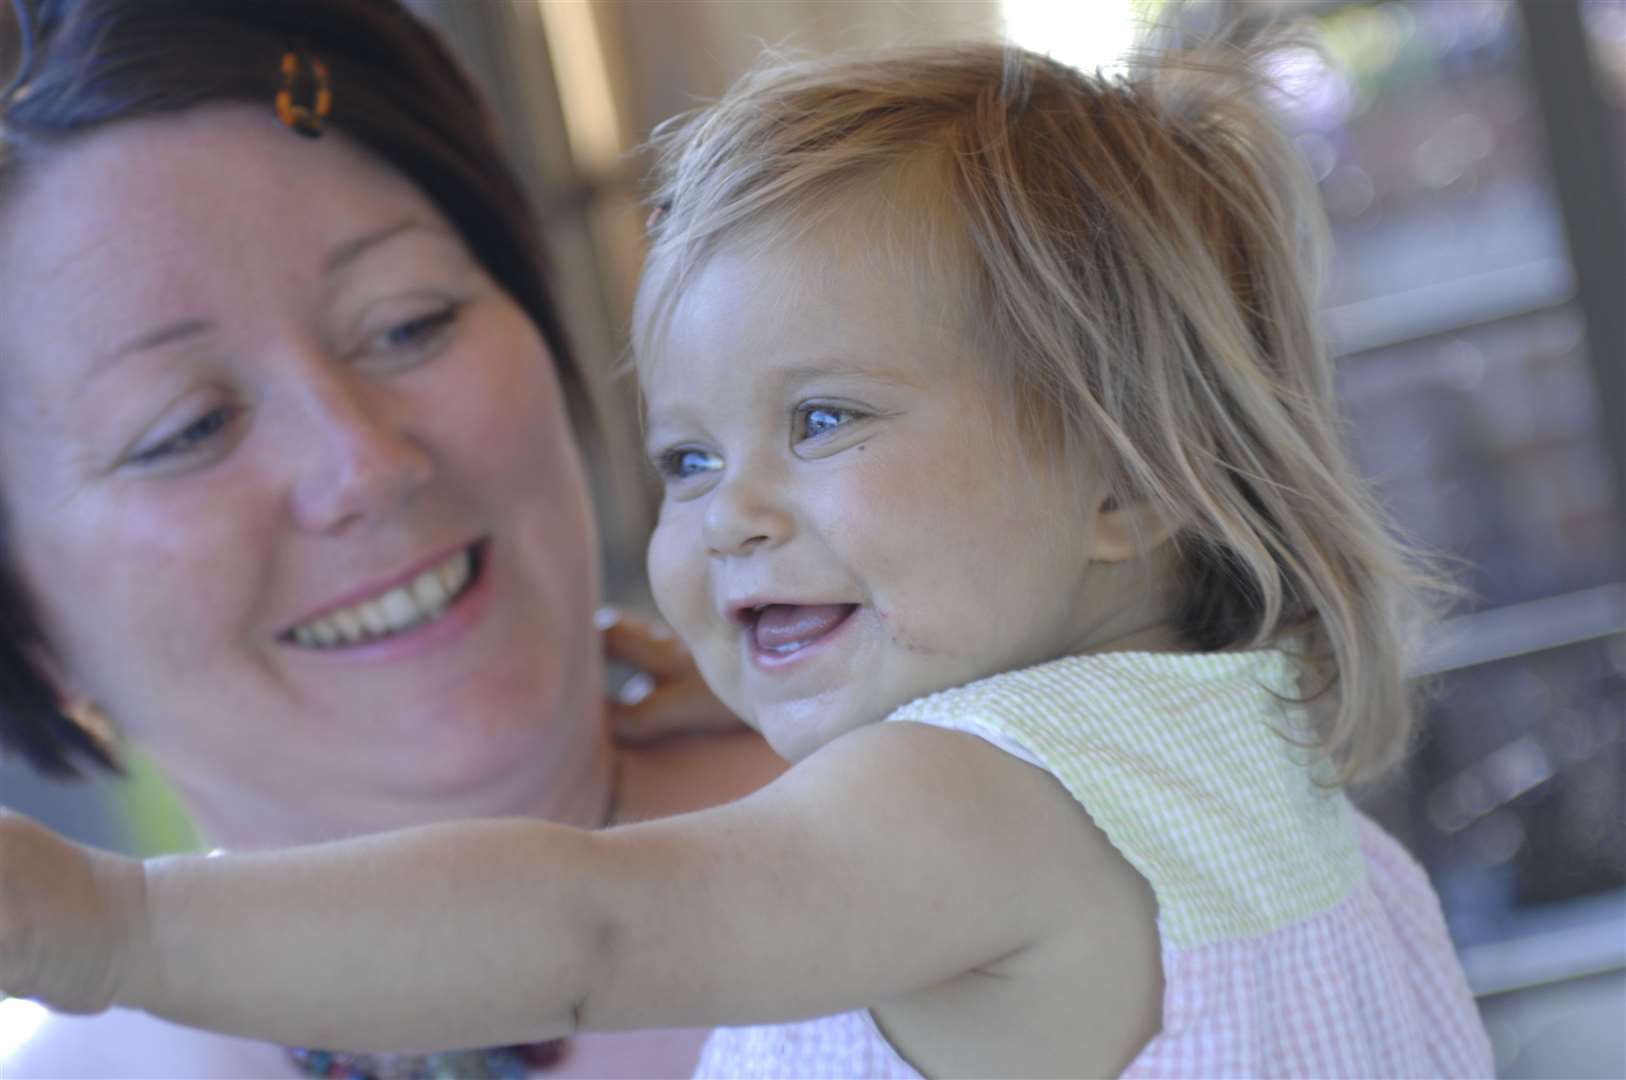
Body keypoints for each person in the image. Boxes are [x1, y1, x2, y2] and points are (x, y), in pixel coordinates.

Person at [0, 38, 1498, 1079]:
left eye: (826, 418)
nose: (728, 517)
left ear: (1128, 471)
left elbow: (589, 926)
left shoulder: (960, 804)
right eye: (688, 458)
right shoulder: (1251, 774)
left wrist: (122, 925)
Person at [0, 0, 781, 1076]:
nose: (362, 465)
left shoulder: (993, 788)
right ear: (24, 615)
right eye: (187, 429)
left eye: (409, 321)